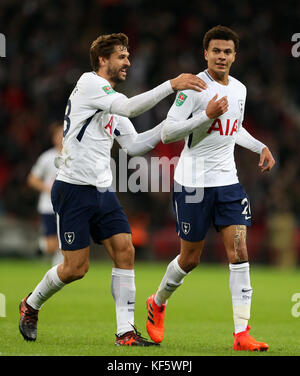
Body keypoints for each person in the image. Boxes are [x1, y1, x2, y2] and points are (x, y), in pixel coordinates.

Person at [19, 33, 207, 346]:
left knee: (125, 250)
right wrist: (171, 85)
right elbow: (132, 108)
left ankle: (125, 333)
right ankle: (31, 304)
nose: (128, 62)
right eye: (121, 56)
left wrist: (174, 125)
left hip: (103, 191)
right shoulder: (90, 83)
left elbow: (134, 145)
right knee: (75, 268)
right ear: (103, 60)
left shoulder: (109, 102)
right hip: (74, 189)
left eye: (128, 56)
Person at [146, 25, 275, 352]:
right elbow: (169, 133)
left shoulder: (240, 90)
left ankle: (242, 334)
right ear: (206, 53)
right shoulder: (192, 88)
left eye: (227, 51)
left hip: (228, 184)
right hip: (192, 185)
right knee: (190, 259)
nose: (221, 56)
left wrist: (259, 145)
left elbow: (234, 129)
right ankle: (157, 302)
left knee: (240, 252)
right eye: (215, 50)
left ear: (235, 56)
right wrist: (204, 115)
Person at [27, 122, 64, 266]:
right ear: (53, 138)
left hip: (67, 205)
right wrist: (48, 188)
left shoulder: (73, 156)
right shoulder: (47, 157)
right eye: (58, 135)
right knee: (51, 244)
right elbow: (32, 179)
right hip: (48, 205)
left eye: (63, 134)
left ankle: (59, 268)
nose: (61, 138)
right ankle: (41, 246)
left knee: (65, 240)